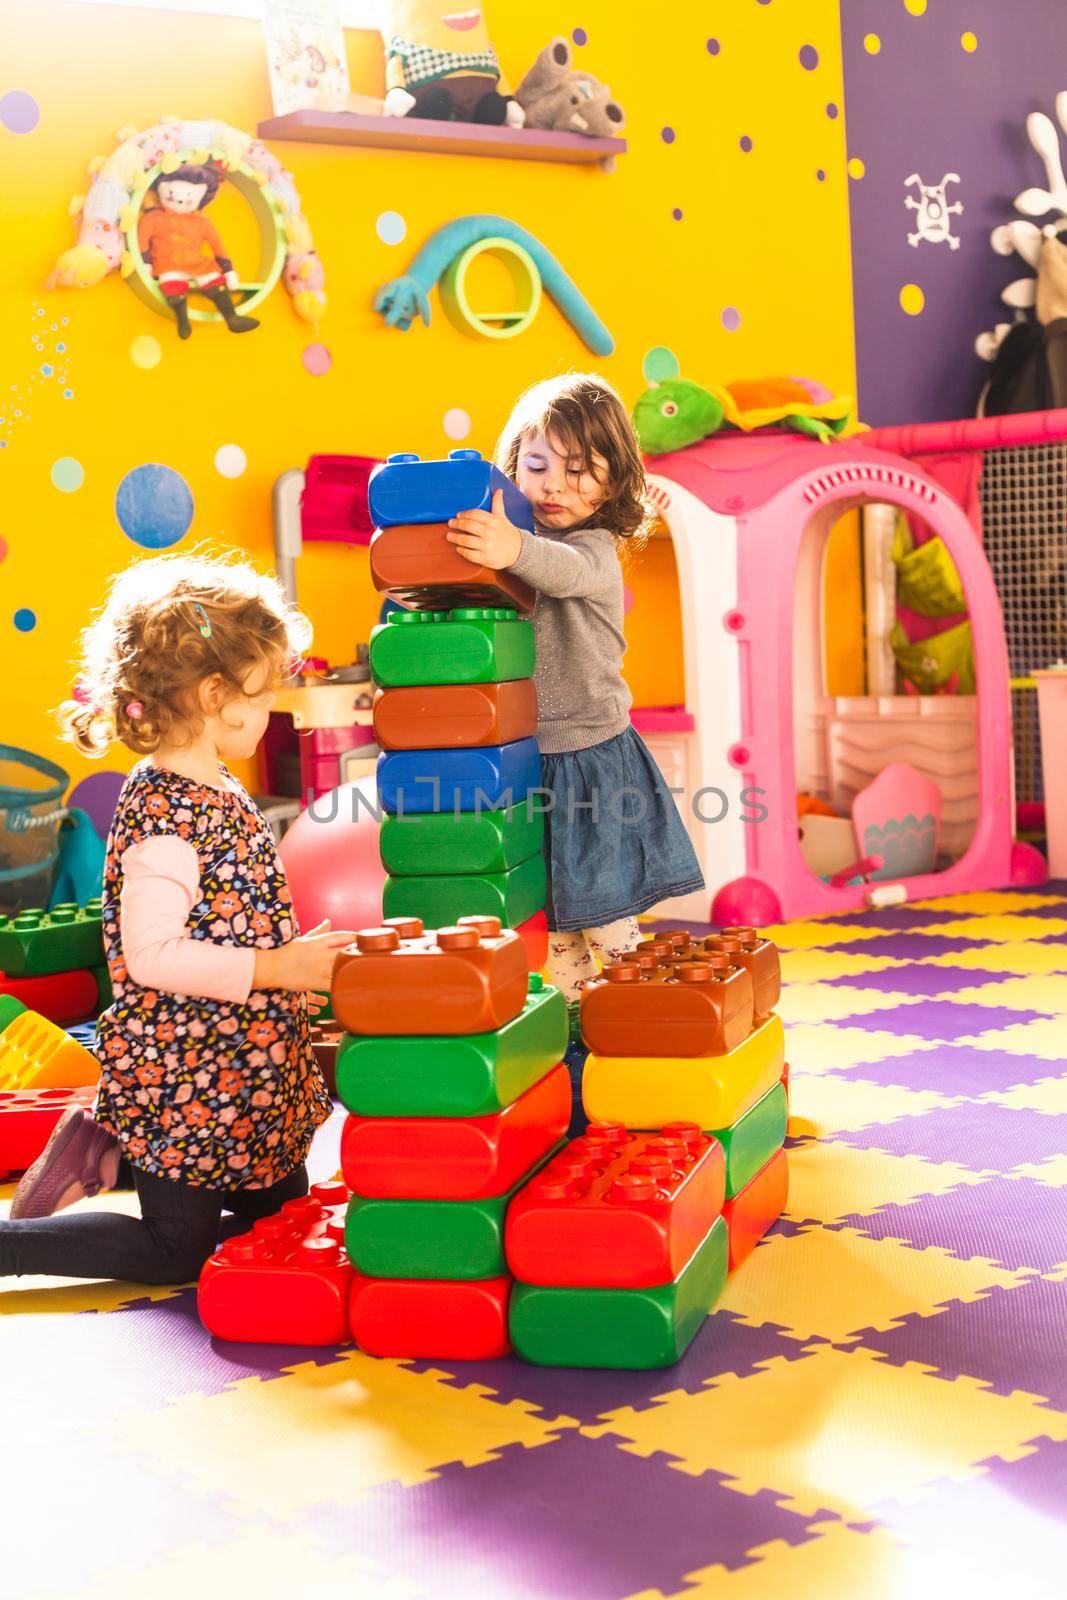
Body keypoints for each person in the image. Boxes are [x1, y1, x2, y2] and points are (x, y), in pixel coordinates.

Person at [0, 552, 354, 1285]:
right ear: (213, 692)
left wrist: (287, 955)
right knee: (177, 1253)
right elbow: (153, 954)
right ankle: (23, 1237)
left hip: (250, 1065)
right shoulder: (166, 812)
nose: (271, 711)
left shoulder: (216, 780)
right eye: (261, 696)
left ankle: (109, 1152)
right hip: (184, 1077)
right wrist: (272, 966)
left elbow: (232, 910)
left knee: (278, 1227)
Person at [447, 371, 704, 1024]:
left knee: (604, 916)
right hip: (532, 761)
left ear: (613, 482)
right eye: (536, 466)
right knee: (556, 924)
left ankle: (645, 1023)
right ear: (513, 469)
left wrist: (511, 545)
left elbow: (563, 571)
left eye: (579, 469)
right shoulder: (514, 556)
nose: (555, 484)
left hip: (590, 756)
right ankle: (573, 1038)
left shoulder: (592, 549)